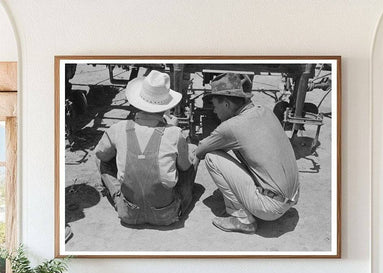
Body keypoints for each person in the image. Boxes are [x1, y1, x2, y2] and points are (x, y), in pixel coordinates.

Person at [194, 72, 299, 234]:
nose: (214, 111)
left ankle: (242, 219)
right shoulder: (264, 110)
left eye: (215, 106)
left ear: (227, 104)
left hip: (270, 209)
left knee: (212, 157)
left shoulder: (232, 127)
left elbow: (199, 151)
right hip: (292, 199)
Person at [95, 70, 197, 226]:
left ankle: (118, 195)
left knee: (101, 159)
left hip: (128, 214)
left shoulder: (118, 128)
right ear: (166, 108)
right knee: (192, 151)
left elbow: (101, 155)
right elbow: (184, 167)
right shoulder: (174, 133)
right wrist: (171, 130)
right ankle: (180, 203)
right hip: (167, 216)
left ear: (137, 103)